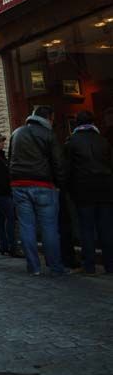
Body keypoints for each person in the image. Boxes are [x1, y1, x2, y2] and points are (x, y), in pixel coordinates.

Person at [8, 105, 68, 276]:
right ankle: (56, 267)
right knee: (49, 227)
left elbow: (10, 158)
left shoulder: (17, 133)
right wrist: (60, 184)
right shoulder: (49, 135)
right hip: (43, 185)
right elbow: (58, 163)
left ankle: (33, 267)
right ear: (49, 118)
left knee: (27, 227)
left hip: (19, 184)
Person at [64, 110, 113, 275]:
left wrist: (69, 190)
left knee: (87, 229)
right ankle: (110, 264)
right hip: (105, 190)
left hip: (83, 191)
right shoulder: (103, 141)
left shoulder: (71, 142)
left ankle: (90, 266)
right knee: (106, 228)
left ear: (77, 123)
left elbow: (67, 170)